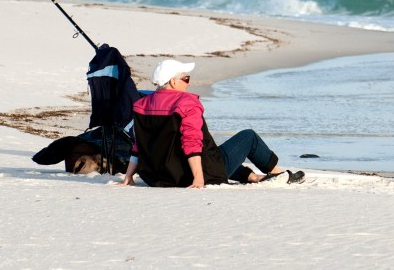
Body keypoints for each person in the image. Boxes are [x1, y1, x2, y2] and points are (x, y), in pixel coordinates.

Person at [117, 59, 305, 188]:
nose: (188, 83)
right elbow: (191, 143)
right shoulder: (186, 103)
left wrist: (129, 176)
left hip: (158, 175)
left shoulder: (141, 105)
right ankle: (279, 175)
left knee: (218, 153)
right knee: (249, 138)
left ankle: (253, 177)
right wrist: (199, 178)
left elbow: (138, 144)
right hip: (191, 175)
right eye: (186, 79)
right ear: (173, 81)